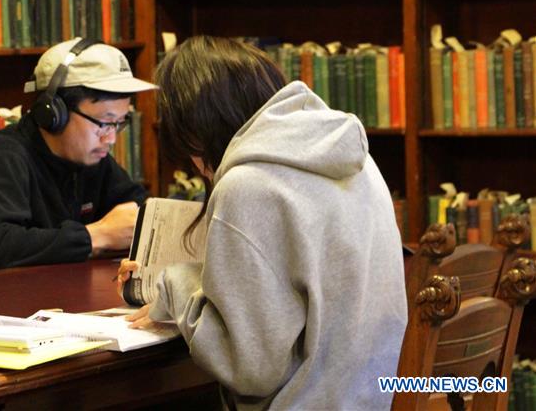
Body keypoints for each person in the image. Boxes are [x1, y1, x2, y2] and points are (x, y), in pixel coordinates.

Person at [118, 36, 407, 410]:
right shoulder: (358, 160)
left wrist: (175, 286)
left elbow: (251, 368)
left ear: (197, 131)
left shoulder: (247, 185)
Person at [0, 38, 156, 279]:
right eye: (104, 123)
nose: (111, 138)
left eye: (119, 124)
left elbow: (141, 210)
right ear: (54, 112)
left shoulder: (93, 160)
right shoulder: (3, 157)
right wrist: (96, 236)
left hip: (48, 302)